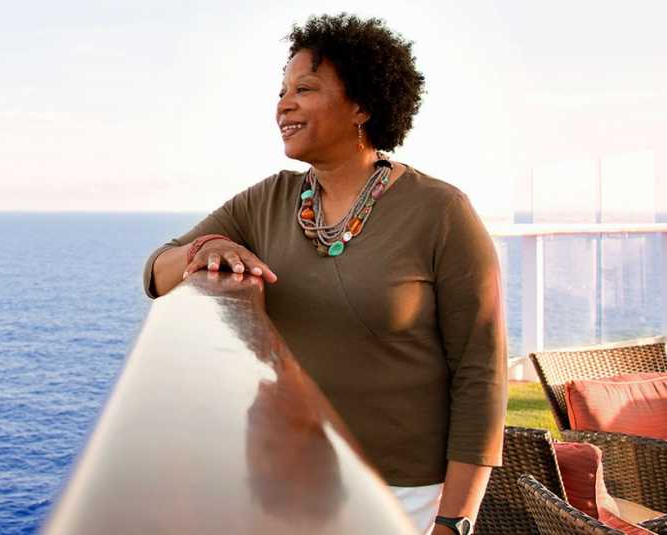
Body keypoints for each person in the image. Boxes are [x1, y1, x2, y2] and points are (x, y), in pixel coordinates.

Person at [142, 13, 506, 535]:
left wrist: (456, 520)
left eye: (305, 89)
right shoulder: (267, 201)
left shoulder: (441, 212)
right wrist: (209, 244)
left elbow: (481, 373)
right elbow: (157, 273)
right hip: (283, 475)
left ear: (362, 106)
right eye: (282, 90)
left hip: (401, 492)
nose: (283, 104)